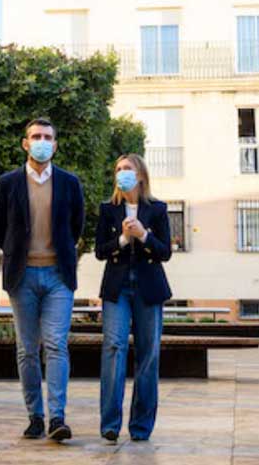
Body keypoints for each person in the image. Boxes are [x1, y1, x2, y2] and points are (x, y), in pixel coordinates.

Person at [0, 118, 84, 442]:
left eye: (48, 136)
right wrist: (19, 253)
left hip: (59, 275)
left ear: (55, 145)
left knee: (57, 345)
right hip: (23, 275)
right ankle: (35, 416)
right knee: (27, 349)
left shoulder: (70, 183)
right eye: (36, 136)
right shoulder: (8, 183)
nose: (42, 141)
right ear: (25, 143)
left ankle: (57, 417)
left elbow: (76, 226)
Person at [95, 154, 172, 444]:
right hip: (117, 288)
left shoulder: (158, 209)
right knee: (113, 348)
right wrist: (123, 240)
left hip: (149, 287)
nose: (122, 173)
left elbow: (165, 252)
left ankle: (141, 427)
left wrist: (143, 235)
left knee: (148, 355)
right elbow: (101, 250)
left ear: (140, 174)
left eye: (127, 168)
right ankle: (110, 425)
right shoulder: (107, 209)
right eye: (118, 169)